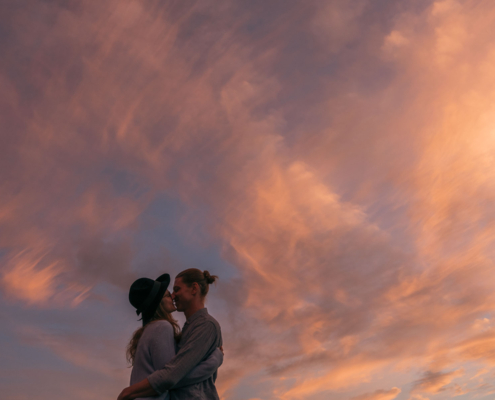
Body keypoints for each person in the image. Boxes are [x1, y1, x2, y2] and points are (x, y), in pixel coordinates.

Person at [118, 269, 223, 400]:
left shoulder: (206, 325)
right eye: (170, 293)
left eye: (177, 289)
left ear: (194, 289)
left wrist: (130, 391)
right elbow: (170, 376)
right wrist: (215, 360)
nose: (173, 295)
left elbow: (171, 376)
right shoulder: (167, 328)